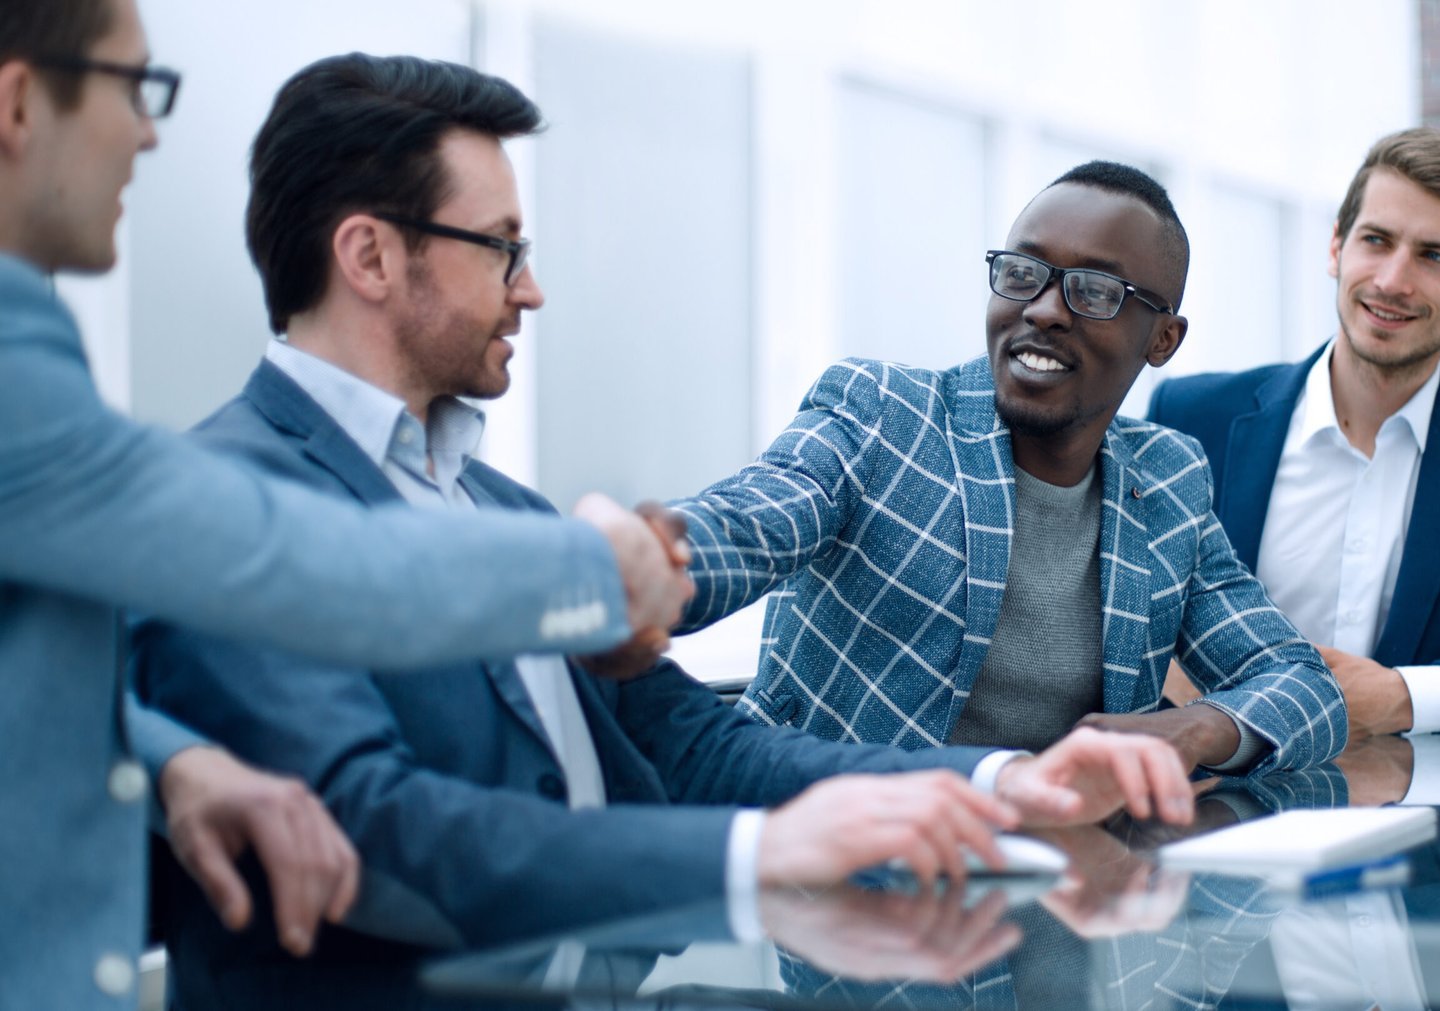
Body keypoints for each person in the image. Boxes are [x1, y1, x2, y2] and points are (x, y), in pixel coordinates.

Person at [133, 52, 1197, 1006]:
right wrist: (759, 860)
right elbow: (382, 834)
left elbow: (691, 744)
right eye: (500, 249)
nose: (533, 288)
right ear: (368, 258)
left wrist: (1001, 784)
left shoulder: (492, 508)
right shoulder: (224, 506)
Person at [0, 2, 691, 1006]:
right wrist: (596, 571)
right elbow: (302, 566)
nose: (150, 133)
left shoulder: (496, 499)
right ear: (20, 101)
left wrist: (169, 759)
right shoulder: (32, 369)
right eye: (133, 87)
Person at [673, 162, 1347, 775]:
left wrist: (1196, 729)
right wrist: (636, 561)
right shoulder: (885, 416)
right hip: (833, 865)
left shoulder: (1168, 478)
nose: (1044, 310)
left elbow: (1303, 684)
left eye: (1095, 290)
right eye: (1023, 273)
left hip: (1066, 879)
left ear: (1162, 339)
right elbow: (741, 526)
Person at [1147, 128, 1440, 738]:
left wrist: (1409, 696)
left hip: (1426, 816)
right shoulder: (1191, 416)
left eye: (1434, 256)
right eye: (1376, 241)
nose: (1393, 281)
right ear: (1337, 246)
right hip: (1217, 803)